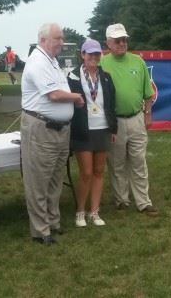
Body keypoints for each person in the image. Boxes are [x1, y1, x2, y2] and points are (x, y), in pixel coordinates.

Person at [21, 23, 84, 245]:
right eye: (58, 38)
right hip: (42, 129)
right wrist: (76, 98)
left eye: (62, 38)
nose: (61, 42)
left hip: (59, 130)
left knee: (55, 179)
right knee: (39, 181)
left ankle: (53, 221)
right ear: (44, 40)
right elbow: (55, 96)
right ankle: (41, 230)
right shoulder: (38, 61)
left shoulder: (52, 61)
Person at [100, 23, 158, 216]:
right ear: (108, 43)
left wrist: (148, 114)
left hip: (136, 118)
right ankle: (121, 200)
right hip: (114, 121)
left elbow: (148, 93)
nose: (122, 43)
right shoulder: (101, 63)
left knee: (138, 161)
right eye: (118, 40)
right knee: (116, 163)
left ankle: (143, 202)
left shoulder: (138, 61)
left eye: (125, 39)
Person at [67, 39, 117, 227]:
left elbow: (111, 104)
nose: (94, 57)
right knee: (86, 173)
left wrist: (114, 128)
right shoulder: (72, 77)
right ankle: (80, 211)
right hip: (83, 130)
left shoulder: (106, 76)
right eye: (90, 54)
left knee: (98, 171)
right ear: (83, 55)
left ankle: (94, 212)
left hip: (103, 128)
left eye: (97, 54)